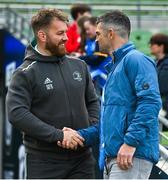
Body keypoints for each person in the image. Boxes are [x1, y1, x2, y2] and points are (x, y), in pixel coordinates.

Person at [59, 10, 162, 179]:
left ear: (111, 33)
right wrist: (81, 135)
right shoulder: (116, 66)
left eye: (98, 34)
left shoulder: (136, 60)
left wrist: (130, 143)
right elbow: (111, 122)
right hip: (115, 157)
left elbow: (151, 103)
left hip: (130, 156)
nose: (96, 38)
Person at [6, 8, 100, 179]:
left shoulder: (79, 65)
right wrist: (59, 135)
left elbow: (93, 102)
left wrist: (86, 132)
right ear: (42, 36)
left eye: (66, 32)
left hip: (83, 159)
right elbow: (16, 113)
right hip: (44, 163)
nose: (66, 37)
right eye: (60, 33)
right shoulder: (25, 73)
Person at [149, 33, 168, 119]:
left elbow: (161, 87)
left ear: (161, 47)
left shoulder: (166, 65)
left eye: (153, 44)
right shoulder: (155, 62)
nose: (150, 46)